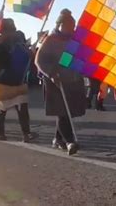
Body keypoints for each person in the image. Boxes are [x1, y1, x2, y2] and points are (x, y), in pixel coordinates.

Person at [35, 9, 86, 155]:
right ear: (60, 25)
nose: (72, 27)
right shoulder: (51, 39)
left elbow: (70, 59)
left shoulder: (74, 40)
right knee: (62, 112)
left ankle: (58, 139)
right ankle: (70, 141)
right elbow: (39, 60)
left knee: (68, 112)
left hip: (72, 80)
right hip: (55, 81)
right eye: (69, 24)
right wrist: (52, 73)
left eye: (73, 24)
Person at [0, 19, 35, 142]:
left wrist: (31, 53)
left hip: (18, 82)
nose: (11, 33)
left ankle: (26, 133)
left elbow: (29, 58)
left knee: (22, 109)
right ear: (1, 32)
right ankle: (0, 132)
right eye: (7, 30)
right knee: (1, 110)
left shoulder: (19, 44)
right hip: (1, 84)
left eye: (12, 30)